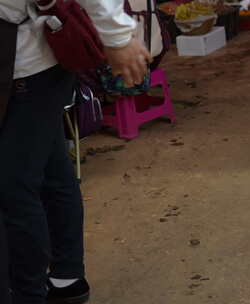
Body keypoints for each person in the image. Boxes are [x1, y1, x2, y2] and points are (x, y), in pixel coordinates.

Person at [0, 1, 151, 303]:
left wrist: (118, 36)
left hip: (25, 64)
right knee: (51, 169)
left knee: (12, 188)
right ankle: (66, 278)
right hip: (34, 61)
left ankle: (29, 295)